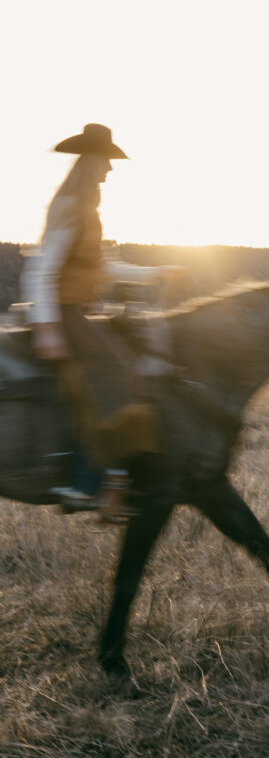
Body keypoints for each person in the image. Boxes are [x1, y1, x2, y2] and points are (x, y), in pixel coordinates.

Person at [21, 123, 163, 521]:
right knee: (116, 378)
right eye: (106, 161)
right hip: (64, 314)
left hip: (74, 313)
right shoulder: (71, 207)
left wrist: (157, 273)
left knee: (120, 373)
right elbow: (42, 270)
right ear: (90, 161)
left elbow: (106, 267)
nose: (110, 170)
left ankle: (106, 481)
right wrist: (48, 329)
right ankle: (87, 484)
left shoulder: (86, 209)